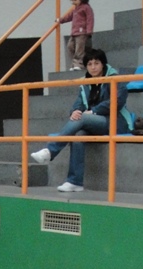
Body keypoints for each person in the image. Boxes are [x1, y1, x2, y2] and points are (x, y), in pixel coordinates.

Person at [29, 49, 130, 193]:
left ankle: (50, 151)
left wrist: (94, 111)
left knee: (83, 117)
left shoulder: (115, 79)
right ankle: (74, 182)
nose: (93, 67)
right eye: (89, 64)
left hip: (117, 123)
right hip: (94, 123)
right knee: (78, 136)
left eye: (96, 63)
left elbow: (117, 101)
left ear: (103, 64)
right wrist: (75, 112)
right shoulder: (85, 83)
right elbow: (78, 104)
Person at [58, 0, 94, 71]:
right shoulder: (75, 9)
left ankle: (79, 64)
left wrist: (89, 30)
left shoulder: (86, 8)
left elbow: (90, 19)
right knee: (70, 47)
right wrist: (61, 20)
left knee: (79, 49)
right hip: (74, 32)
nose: (73, 1)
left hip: (82, 32)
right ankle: (75, 63)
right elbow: (69, 17)